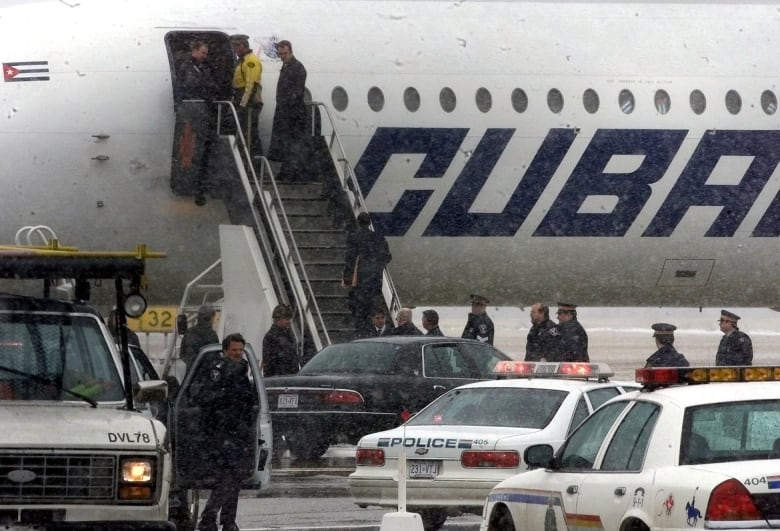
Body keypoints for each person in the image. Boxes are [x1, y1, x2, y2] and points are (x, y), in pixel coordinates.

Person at [195, 333, 257, 531]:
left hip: (234, 432)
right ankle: (210, 516)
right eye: (234, 350)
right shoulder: (224, 370)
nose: (238, 354)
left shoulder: (237, 369)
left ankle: (227, 520)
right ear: (225, 351)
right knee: (229, 475)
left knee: (234, 476)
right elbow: (215, 400)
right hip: (224, 432)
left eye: (240, 350)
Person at [175, 40, 218, 206]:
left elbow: (211, 85)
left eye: (206, 54)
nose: (204, 57)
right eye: (203, 53)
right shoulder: (187, 67)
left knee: (203, 153)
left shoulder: (203, 68)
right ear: (194, 50)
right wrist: (205, 87)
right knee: (192, 152)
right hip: (193, 116)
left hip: (203, 117)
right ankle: (193, 187)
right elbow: (190, 85)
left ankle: (200, 187)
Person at [342, 212, 392, 339]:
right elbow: (387, 256)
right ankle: (371, 331)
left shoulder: (353, 237)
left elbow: (350, 258)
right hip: (375, 278)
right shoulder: (378, 237)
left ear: (358, 222)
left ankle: (362, 333)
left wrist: (347, 277)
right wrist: (377, 265)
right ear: (370, 223)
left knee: (359, 308)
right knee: (372, 306)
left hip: (360, 278)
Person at [267, 39, 307, 179]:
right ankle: (286, 171)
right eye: (280, 54)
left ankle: (291, 173)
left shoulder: (297, 68)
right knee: (285, 145)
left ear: (290, 51)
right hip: (284, 112)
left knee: (291, 145)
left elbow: (297, 92)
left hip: (292, 114)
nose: (282, 56)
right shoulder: (287, 66)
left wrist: (286, 109)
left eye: (284, 53)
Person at [229, 34, 263, 156]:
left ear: (242, 46)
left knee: (249, 136)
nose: (234, 50)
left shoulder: (250, 61)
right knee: (244, 133)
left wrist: (243, 105)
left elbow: (251, 86)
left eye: (235, 46)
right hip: (241, 99)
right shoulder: (242, 60)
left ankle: (253, 165)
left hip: (250, 103)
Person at [262, 304, 299, 376]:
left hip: (288, 377)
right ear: (277, 320)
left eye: (289, 319)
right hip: (281, 379)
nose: (289, 321)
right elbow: (269, 364)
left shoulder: (287, 335)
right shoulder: (271, 337)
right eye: (287, 319)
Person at [180, 305, 219, 373]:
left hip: (191, 375)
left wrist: (191, 363)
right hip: (206, 374)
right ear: (211, 318)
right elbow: (215, 357)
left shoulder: (189, 332)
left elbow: (182, 354)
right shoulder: (211, 334)